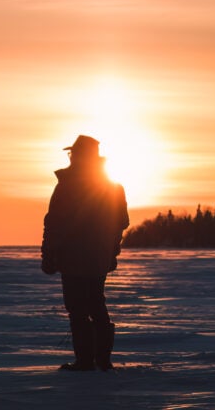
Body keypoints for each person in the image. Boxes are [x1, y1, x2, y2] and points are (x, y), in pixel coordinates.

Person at [42, 135, 130, 371]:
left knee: (79, 309)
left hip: (73, 257)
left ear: (79, 156)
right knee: (96, 305)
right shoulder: (112, 187)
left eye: (74, 154)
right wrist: (111, 252)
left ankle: (86, 361)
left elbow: (54, 224)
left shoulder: (68, 186)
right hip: (97, 257)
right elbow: (121, 222)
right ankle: (101, 360)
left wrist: (48, 254)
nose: (71, 157)